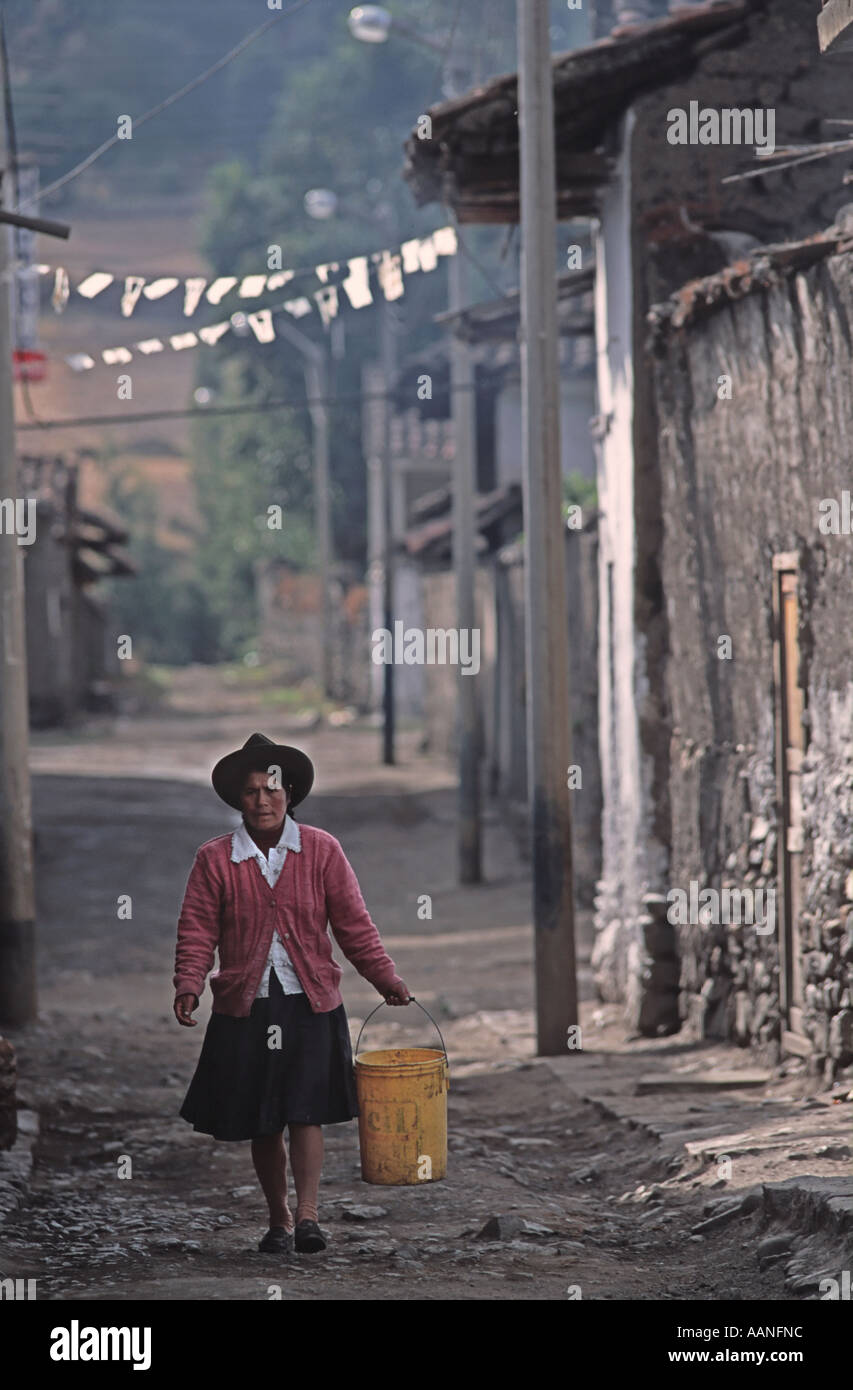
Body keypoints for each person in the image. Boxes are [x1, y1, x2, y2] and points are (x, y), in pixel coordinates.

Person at [173, 732, 411, 1255]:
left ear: (290, 796)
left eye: (272, 791)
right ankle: (277, 1217)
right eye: (253, 791)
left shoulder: (322, 850)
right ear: (240, 798)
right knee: (265, 1116)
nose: (262, 801)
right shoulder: (214, 860)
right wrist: (189, 984)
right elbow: (196, 930)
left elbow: (354, 925)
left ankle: (308, 1216)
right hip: (247, 1004)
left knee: (306, 1110)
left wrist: (386, 978)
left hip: (310, 1001)